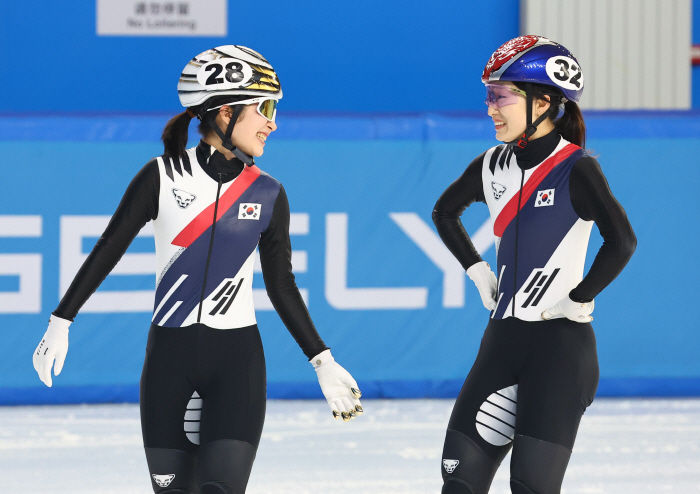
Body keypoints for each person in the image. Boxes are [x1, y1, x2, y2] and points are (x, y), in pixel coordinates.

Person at [32, 45, 363, 494]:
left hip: (237, 364)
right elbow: (109, 249)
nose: (273, 122)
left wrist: (322, 360)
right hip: (169, 363)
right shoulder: (161, 176)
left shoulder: (268, 193)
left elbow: (281, 284)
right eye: (264, 108)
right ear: (225, 113)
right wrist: (61, 320)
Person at [432, 36, 636, 494]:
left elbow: (622, 241)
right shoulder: (491, 165)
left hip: (560, 351)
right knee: (458, 482)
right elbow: (444, 213)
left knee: (530, 487)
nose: (491, 109)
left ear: (543, 102)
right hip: (501, 342)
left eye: (501, 97)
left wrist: (579, 298)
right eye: (489, 97)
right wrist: (476, 270)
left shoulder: (576, 168)